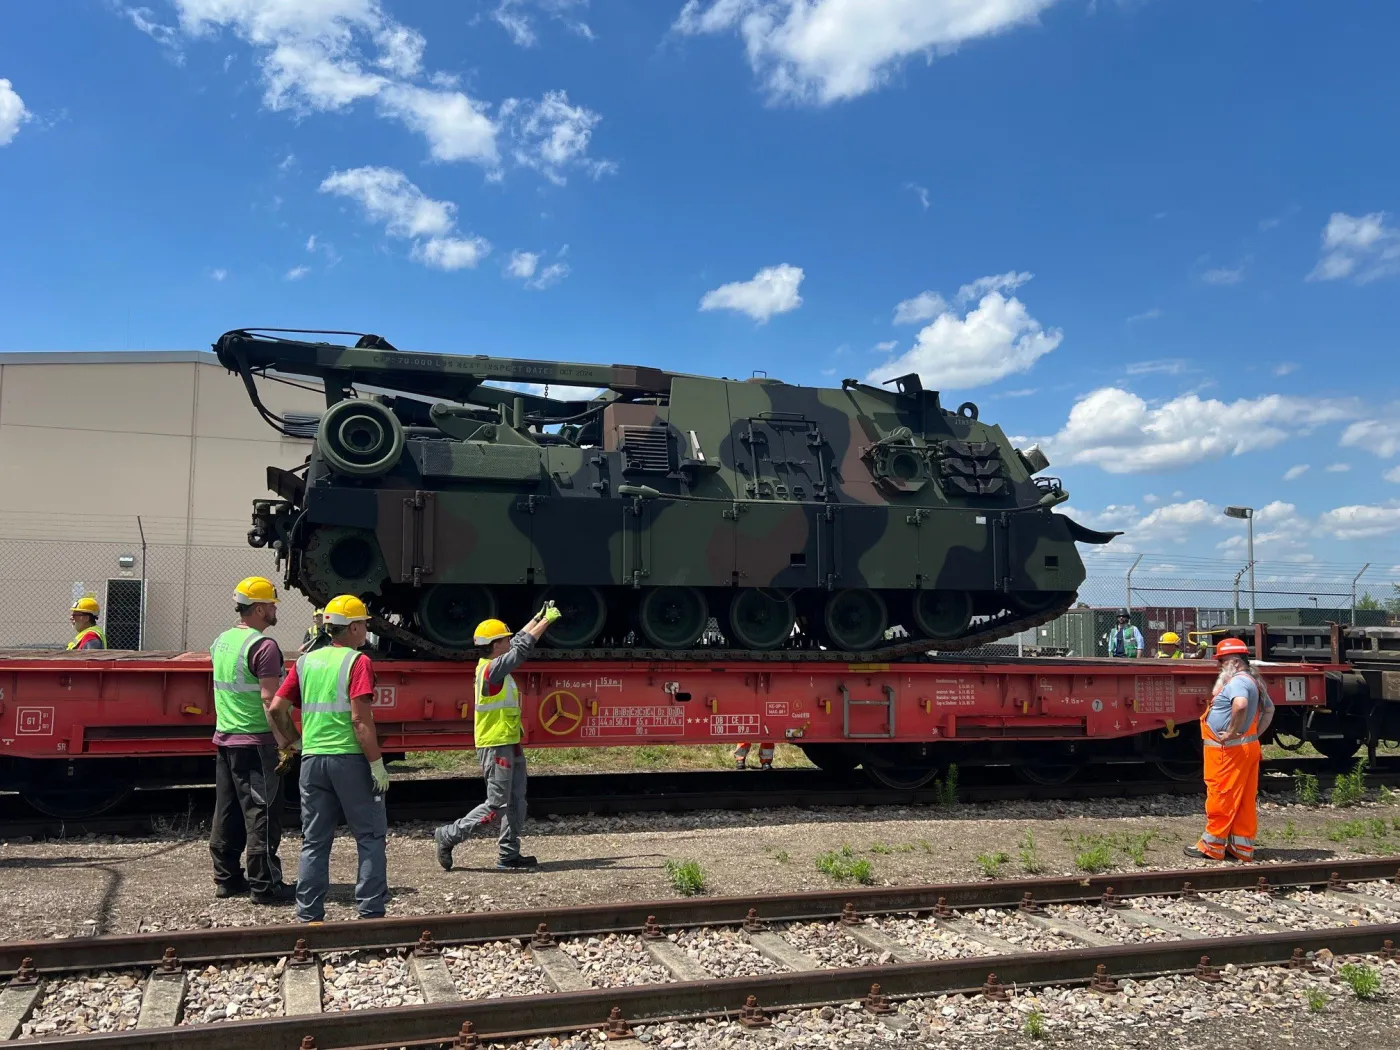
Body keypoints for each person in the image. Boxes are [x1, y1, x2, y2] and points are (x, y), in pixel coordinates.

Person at [271, 594, 391, 922]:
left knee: (315, 839)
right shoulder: (358, 662)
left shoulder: (306, 662)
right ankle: (370, 911)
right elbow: (360, 721)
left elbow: (277, 708)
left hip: (312, 762)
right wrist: (377, 763)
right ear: (352, 628)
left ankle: (309, 915)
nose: (366, 628)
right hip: (349, 760)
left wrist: (293, 742)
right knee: (369, 836)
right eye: (364, 623)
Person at [434, 602, 561, 872]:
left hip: (508, 742)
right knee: (496, 805)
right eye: (505, 639)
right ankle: (448, 835)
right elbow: (522, 648)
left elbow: (517, 641)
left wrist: (536, 617)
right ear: (495, 645)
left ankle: (508, 855)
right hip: (495, 744)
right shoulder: (492, 670)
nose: (509, 642)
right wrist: (546, 622)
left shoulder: (493, 665)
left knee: (516, 801)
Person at [208, 577, 299, 904]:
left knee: (228, 809)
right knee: (262, 812)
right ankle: (265, 884)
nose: (275, 610)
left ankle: (227, 878)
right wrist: (286, 741)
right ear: (259, 609)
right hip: (255, 742)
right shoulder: (264, 646)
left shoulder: (221, 641)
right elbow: (268, 701)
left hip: (226, 739)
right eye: (272, 605)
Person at [1185, 638, 1275, 862]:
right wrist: (1251, 735)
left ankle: (1212, 846)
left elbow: (1240, 705)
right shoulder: (1253, 681)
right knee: (1243, 800)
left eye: (1222, 662)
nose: (1219, 667)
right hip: (1246, 748)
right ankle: (1241, 848)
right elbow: (1269, 710)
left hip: (1228, 753)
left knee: (1221, 796)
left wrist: (1233, 732)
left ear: (1235, 662)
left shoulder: (1237, 682)